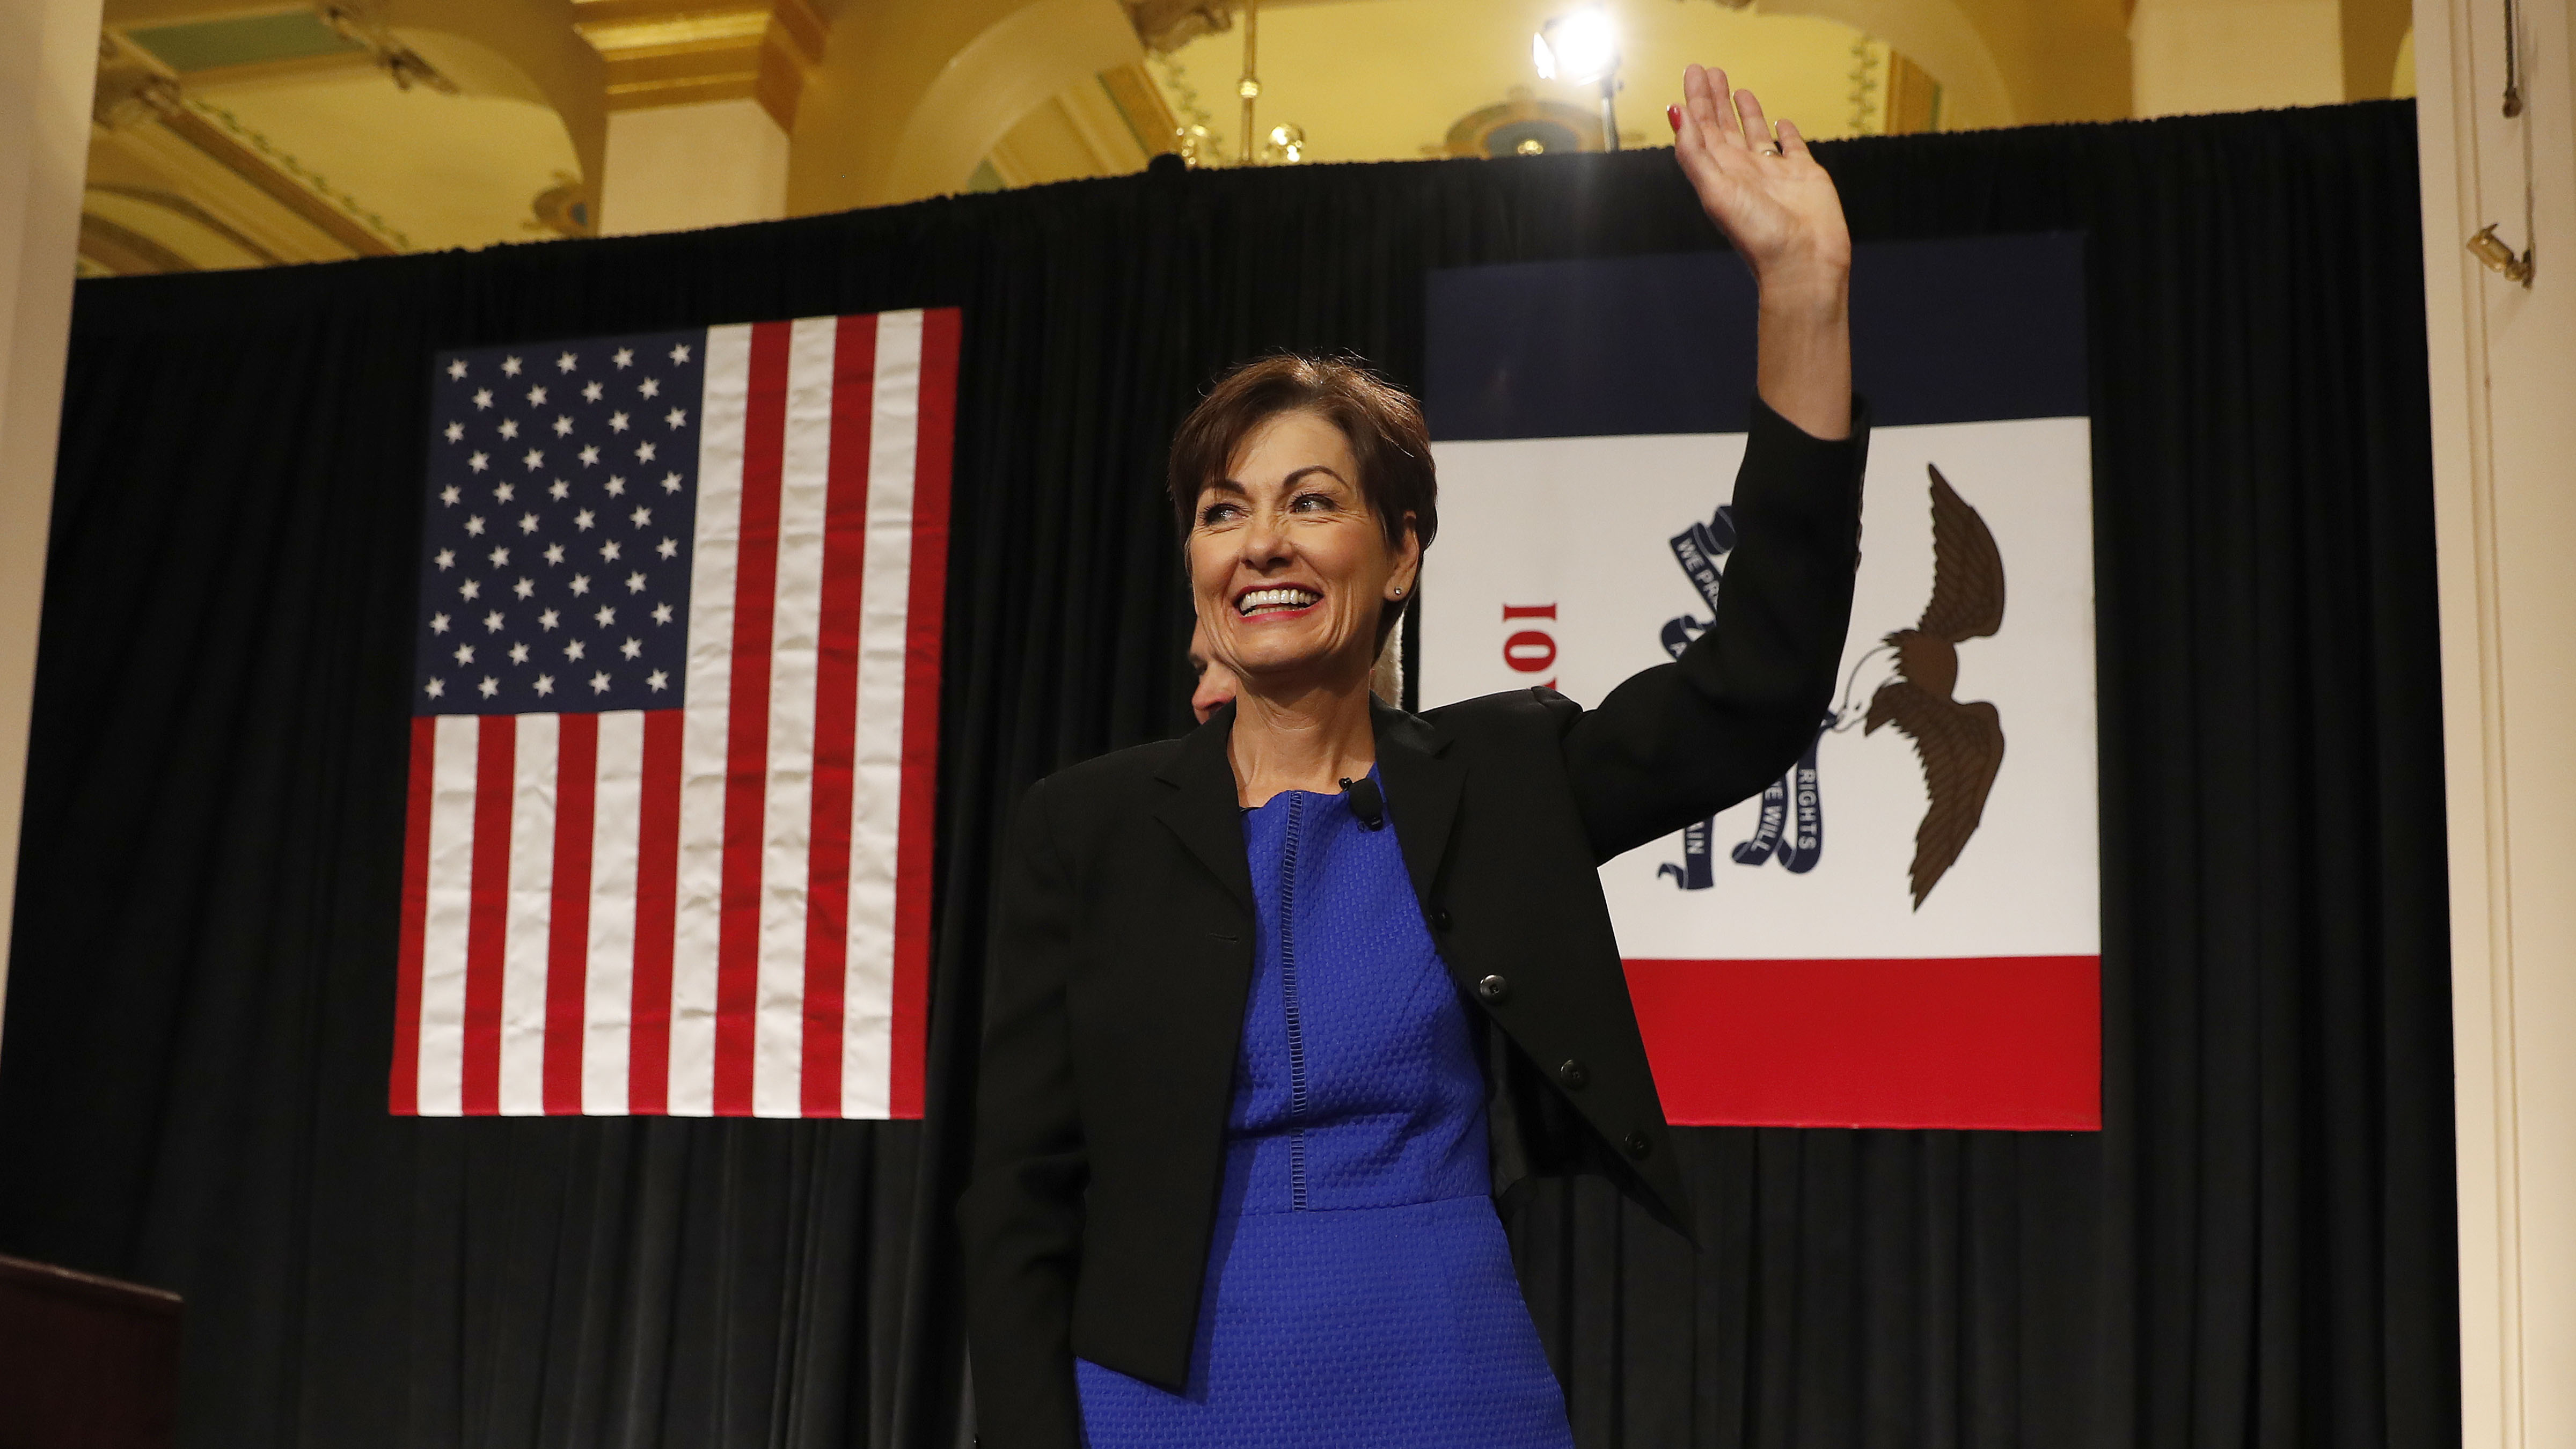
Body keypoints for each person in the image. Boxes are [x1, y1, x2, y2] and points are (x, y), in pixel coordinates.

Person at [961, 63, 1864, 1448]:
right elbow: (1018, 1194)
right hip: (1157, 1406)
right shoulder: (1085, 830)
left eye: (1311, 502)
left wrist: (1803, 291)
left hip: (1446, 1382)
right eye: (1222, 511)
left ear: (1400, 555)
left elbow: (1757, 687)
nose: (1260, 541)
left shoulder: (1500, 781)